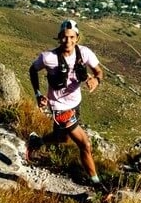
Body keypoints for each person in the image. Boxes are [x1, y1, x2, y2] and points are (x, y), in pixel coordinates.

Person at [27, 18, 105, 185]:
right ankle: (98, 185)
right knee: (85, 144)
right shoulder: (48, 57)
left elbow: (99, 71)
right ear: (59, 37)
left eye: (71, 37)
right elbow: (33, 70)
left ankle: (36, 142)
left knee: (62, 138)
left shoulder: (84, 53)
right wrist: (38, 94)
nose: (67, 41)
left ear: (77, 38)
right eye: (63, 37)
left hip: (75, 103)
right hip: (60, 107)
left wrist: (96, 81)